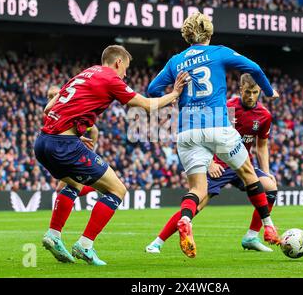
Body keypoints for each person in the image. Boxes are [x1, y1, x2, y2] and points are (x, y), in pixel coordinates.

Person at [34, 45, 189, 266]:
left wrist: (72, 132)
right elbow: (146, 106)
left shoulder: (84, 74)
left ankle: (54, 235)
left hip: (43, 141)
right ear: (118, 62)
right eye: (125, 68)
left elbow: (48, 108)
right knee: (117, 190)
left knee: (74, 185)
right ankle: (85, 245)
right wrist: (174, 94)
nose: (125, 74)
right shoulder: (110, 78)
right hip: (63, 144)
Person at [147, 12, 280, 259]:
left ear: (186, 35)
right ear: (209, 33)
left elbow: (152, 89)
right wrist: (270, 91)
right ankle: (268, 226)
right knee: (250, 174)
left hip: (187, 131)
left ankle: (186, 220)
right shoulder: (219, 51)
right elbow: (255, 68)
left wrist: (175, 93)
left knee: (197, 189)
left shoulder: (176, 61)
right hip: (217, 126)